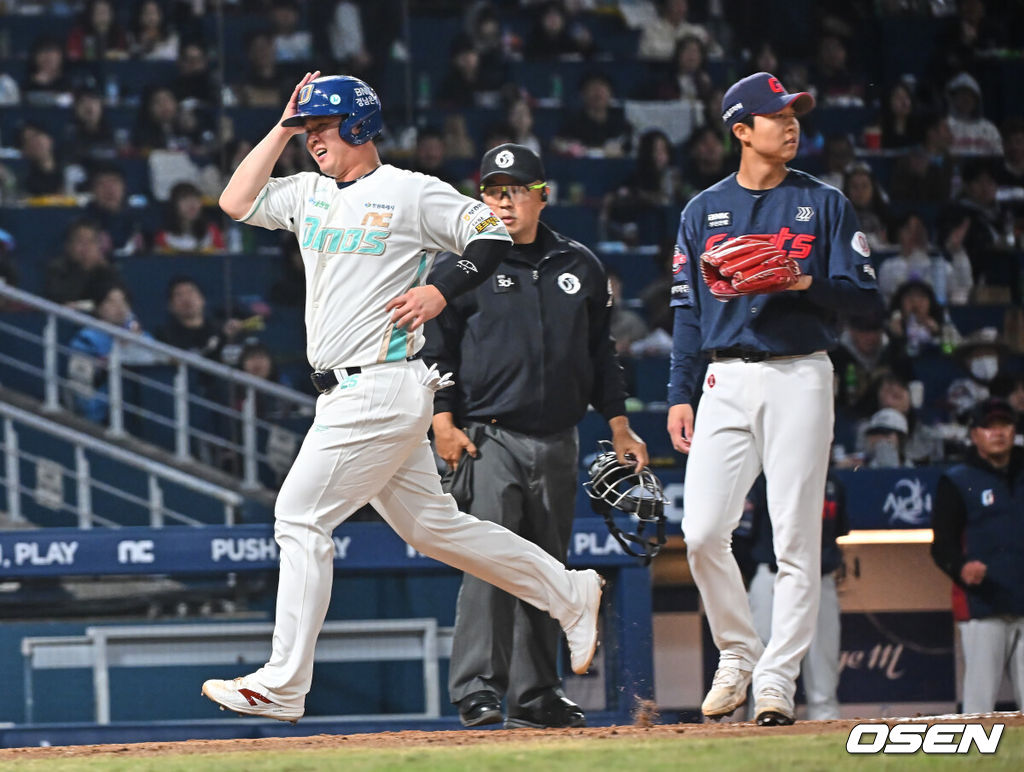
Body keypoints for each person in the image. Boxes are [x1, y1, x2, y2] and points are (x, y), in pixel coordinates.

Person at [201, 72, 603, 722]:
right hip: (345, 391)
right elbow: (234, 201)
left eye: (322, 128)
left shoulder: (409, 193)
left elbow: (491, 235)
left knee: (300, 518)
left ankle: (284, 680)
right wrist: (281, 123)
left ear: (360, 126)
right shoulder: (307, 194)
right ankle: (568, 591)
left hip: (381, 385)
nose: (313, 142)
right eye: (307, 132)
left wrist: (442, 288)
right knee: (437, 529)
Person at [666, 71, 879, 726]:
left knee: (794, 541)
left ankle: (778, 681)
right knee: (701, 532)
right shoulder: (702, 211)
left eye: (795, 114)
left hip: (800, 374)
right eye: (776, 115)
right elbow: (687, 312)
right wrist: (679, 392)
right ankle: (739, 649)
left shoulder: (824, 202)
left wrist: (802, 279)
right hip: (723, 380)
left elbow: (866, 299)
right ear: (740, 129)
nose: (791, 124)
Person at [422, 143, 647, 730]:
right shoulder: (462, 266)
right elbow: (433, 350)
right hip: (487, 437)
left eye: (515, 190)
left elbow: (603, 354)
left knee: (550, 566)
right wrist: (442, 420)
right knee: (491, 564)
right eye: (493, 192)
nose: (503, 202)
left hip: (560, 439)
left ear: (541, 196)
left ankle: (536, 692)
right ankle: (478, 688)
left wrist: (619, 422)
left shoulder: (580, 264)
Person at [931, 397, 1024, 714]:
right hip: (982, 604)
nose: (998, 433)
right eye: (989, 427)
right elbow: (940, 545)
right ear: (974, 435)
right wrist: (961, 567)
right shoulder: (958, 480)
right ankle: (973, 761)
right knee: (980, 705)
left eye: (1005, 425)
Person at [736, 472, 848, 721]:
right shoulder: (762, 480)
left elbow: (837, 533)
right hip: (772, 577)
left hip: (819, 579)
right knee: (764, 668)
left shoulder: (830, 482)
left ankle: (827, 739)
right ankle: (761, 732)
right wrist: (759, 574)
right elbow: (740, 539)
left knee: (823, 676)